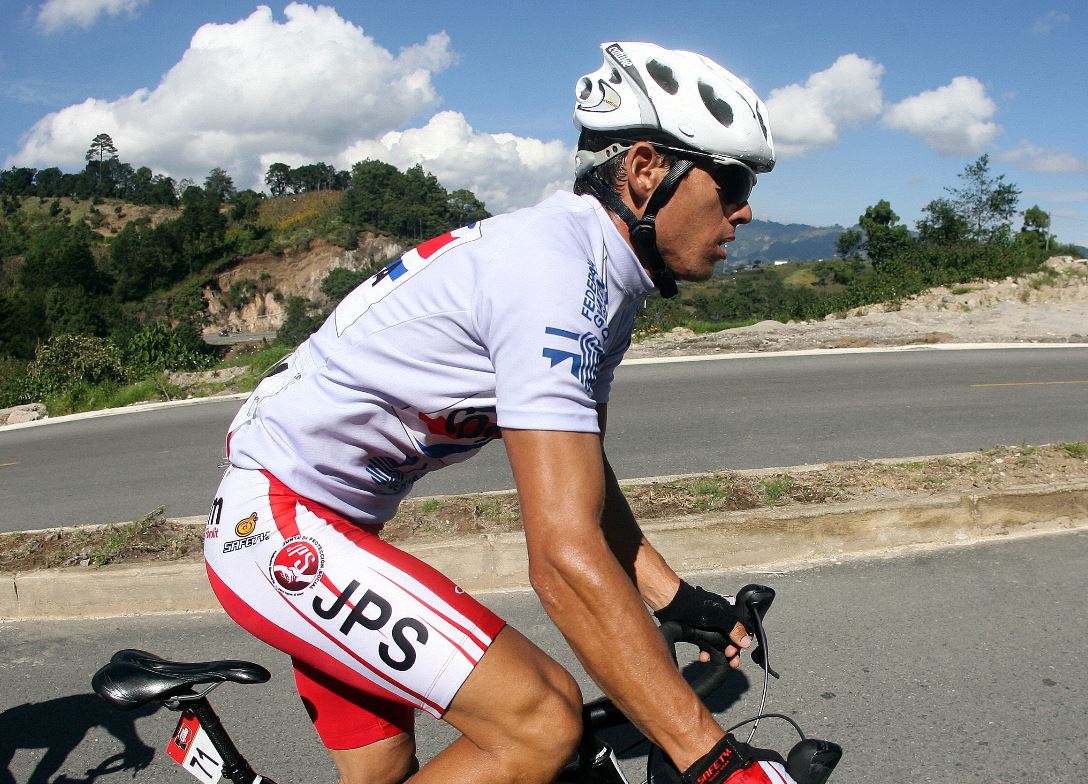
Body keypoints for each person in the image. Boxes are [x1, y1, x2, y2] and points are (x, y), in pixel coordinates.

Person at [204, 41, 799, 784]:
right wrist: (712, 761)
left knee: (385, 771)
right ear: (646, 170)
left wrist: (673, 595)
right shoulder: (553, 272)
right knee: (541, 721)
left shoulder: (602, 281)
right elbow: (560, 555)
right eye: (733, 180)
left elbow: (583, 487)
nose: (744, 210)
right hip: (279, 523)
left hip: (343, 527)